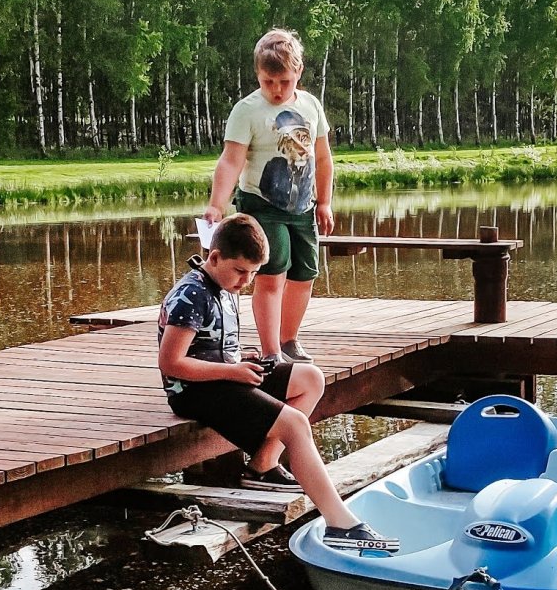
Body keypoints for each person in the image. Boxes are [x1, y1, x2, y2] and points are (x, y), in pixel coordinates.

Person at [156, 213, 399, 553]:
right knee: (295, 423)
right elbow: (172, 364)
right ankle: (341, 524)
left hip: (227, 377)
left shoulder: (224, 286)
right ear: (214, 257)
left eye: (253, 274)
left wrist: (243, 362)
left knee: (310, 378)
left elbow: (217, 347)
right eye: (241, 271)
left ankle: (262, 465)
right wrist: (232, 371)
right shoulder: (191, 295)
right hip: (193, 391)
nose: (246, 281)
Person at [204, 28, 332, 363]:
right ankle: (271, 350)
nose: (276, 90)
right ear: (258, 75)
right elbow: (231, 160)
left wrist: (325, 202)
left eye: (284, 82)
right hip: (263, 204)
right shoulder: (247, 110)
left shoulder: (311, 106)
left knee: (304, 274)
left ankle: (289, 340)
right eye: (268, 82)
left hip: (303, 206)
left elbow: (323, 158)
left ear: (298, 73)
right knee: (273, 272)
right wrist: (217, 204)